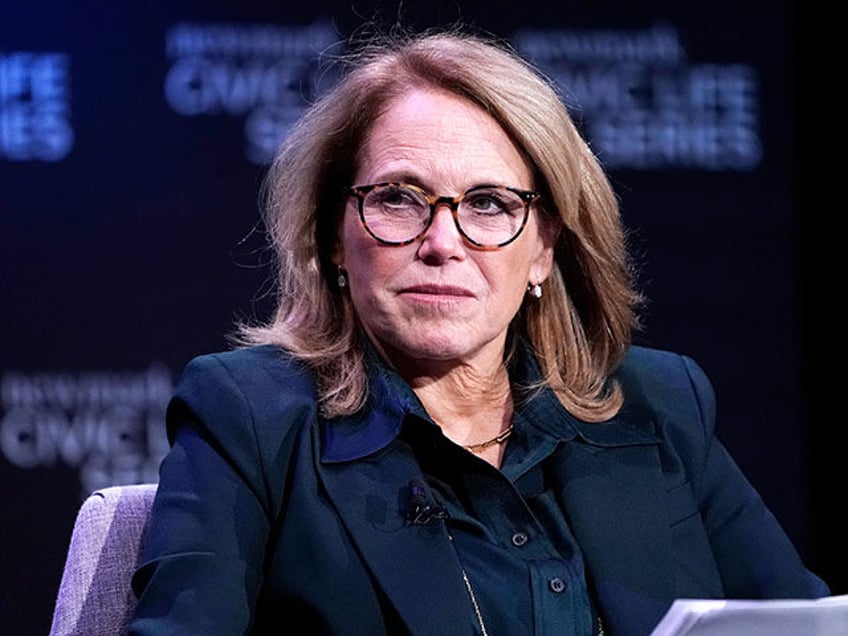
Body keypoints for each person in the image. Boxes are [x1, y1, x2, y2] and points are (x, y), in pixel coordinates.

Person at [129, 27, 829, 636]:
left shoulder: (660, 403)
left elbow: (803, 624)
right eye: (398, 198)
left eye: (489, 204)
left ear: (545, 248)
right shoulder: (251, 418)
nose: (443, 242)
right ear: (335, 237)